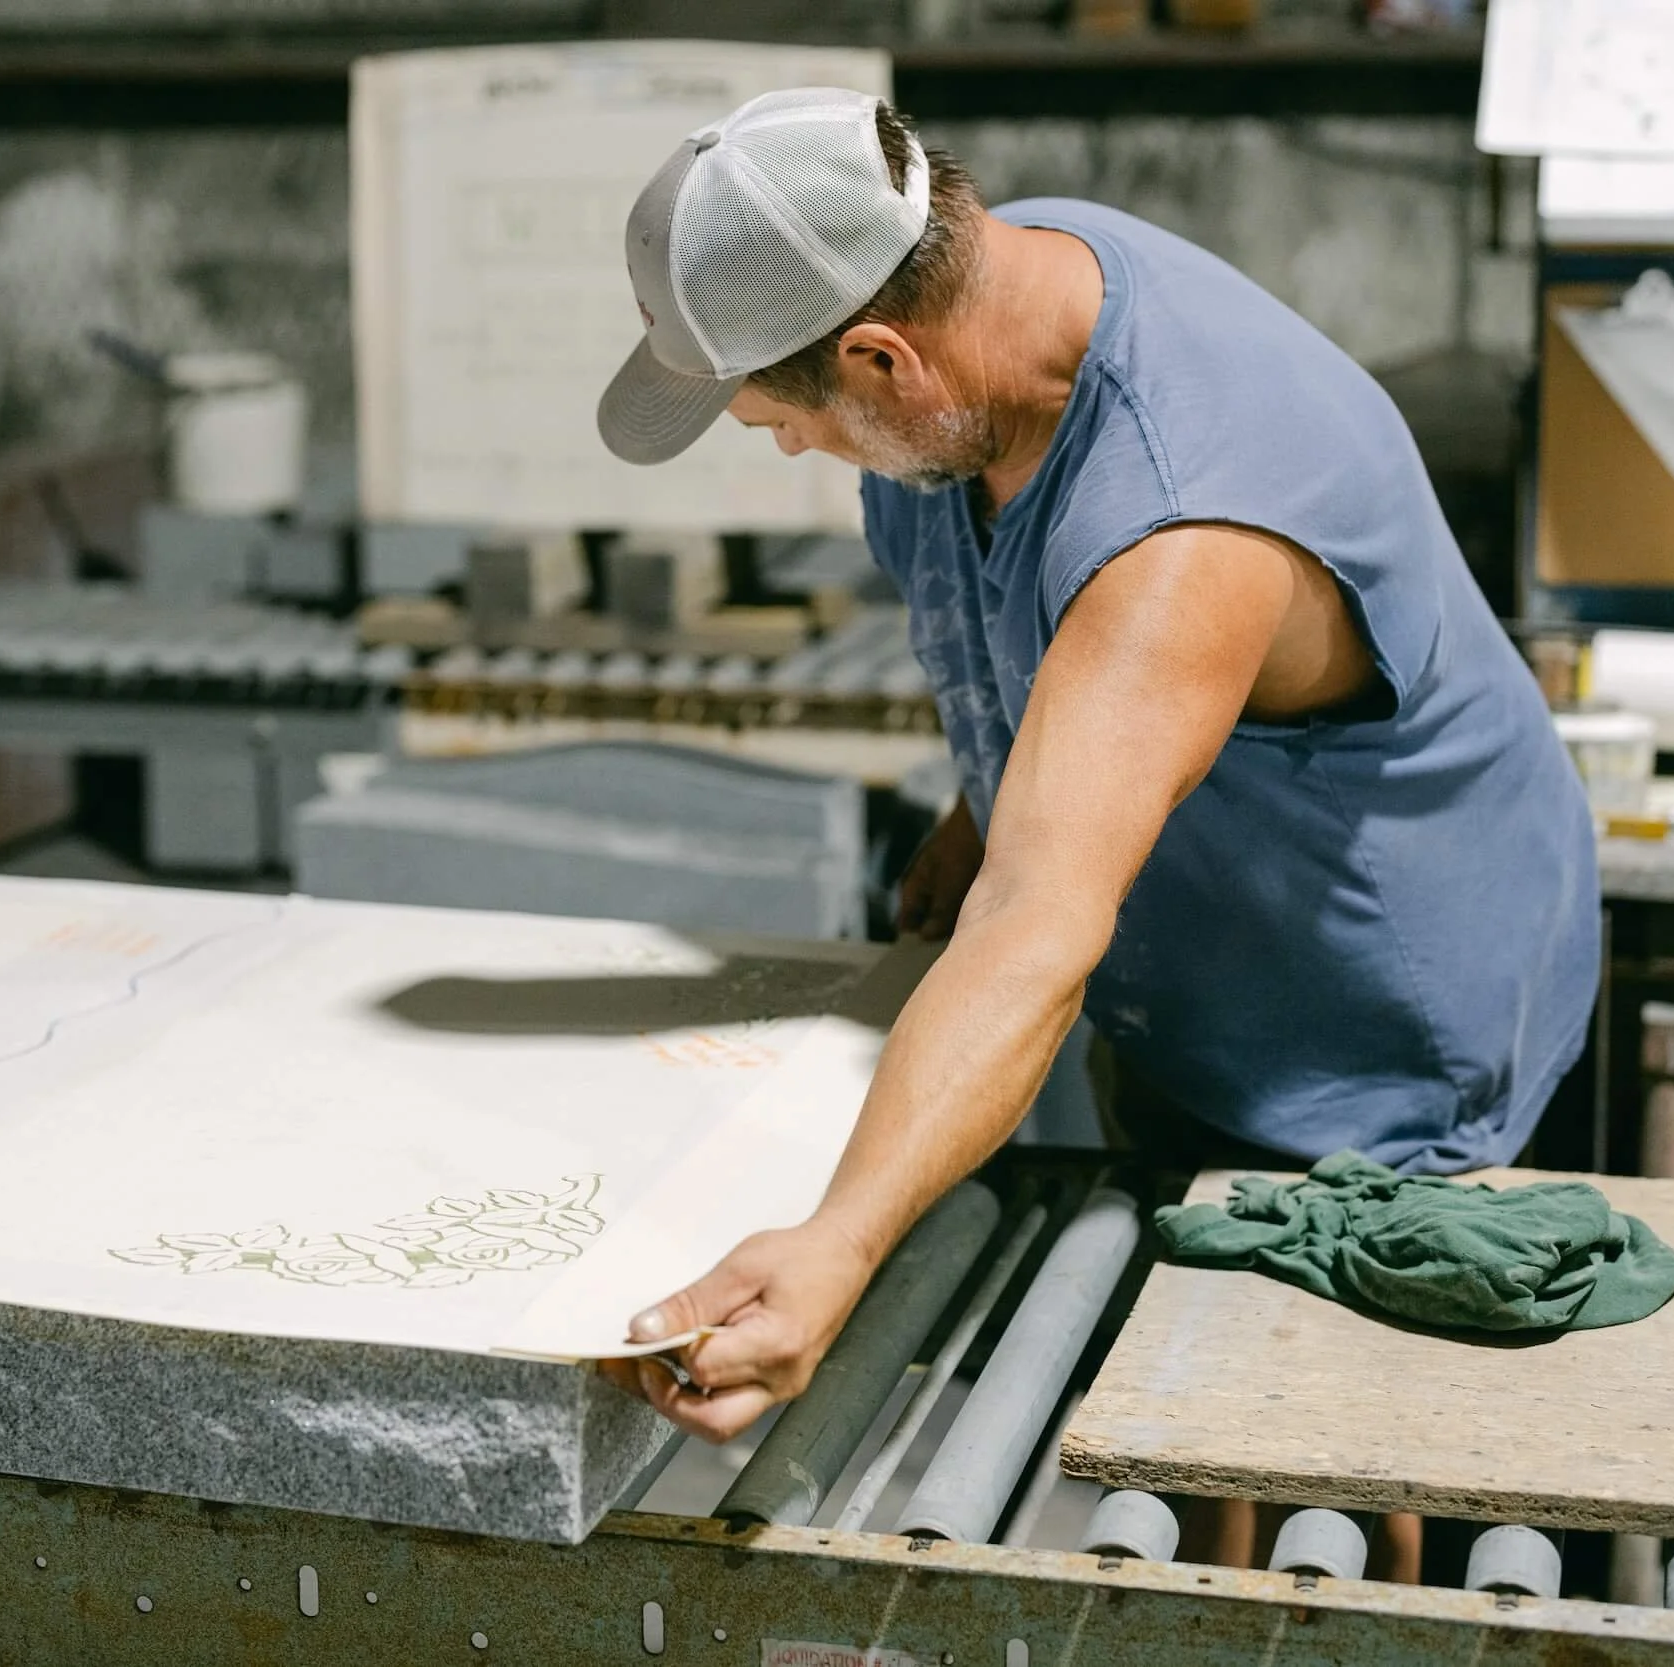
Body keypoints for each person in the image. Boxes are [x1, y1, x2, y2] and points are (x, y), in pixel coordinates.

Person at [589, 88, 1599, 1470]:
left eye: (778, 416)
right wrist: (990, 789)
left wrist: (838, 1244)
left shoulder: (1182, 523)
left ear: (883, 358)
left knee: (1323, 1441)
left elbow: (1038, 925)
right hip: (1201, 940)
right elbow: (1036, 630)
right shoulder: (1000, 291)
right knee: (1203, 1378)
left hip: (1368, 1001)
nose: (785, 443)